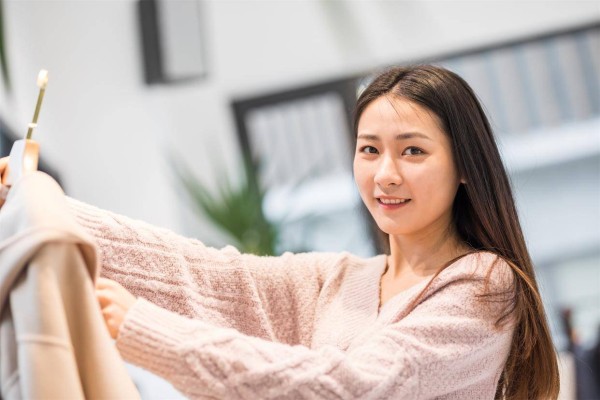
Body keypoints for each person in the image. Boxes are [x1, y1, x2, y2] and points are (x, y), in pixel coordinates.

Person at [0, 65, 560, 399]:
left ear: (464, 167)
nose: (385, 174)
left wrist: (142, 327)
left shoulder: (483, 285)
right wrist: (43, 206)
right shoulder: (336, 282)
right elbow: (205, 275)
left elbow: (353, 386)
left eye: (412, 151)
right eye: (369, 150)